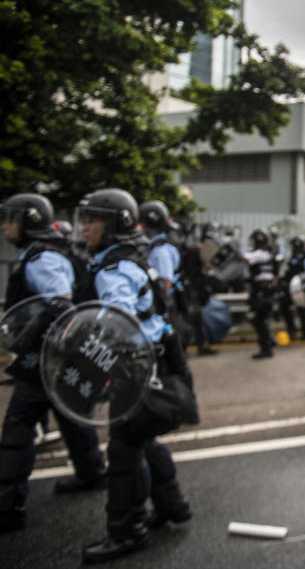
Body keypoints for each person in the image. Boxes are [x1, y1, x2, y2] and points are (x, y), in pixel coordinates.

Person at [75, 188, 191, 562]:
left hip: (134, 366)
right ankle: (173, 505)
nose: (85, 227)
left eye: (92, 220)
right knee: (144, 439)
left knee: (124, 448)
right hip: (150, 360)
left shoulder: (114, 269)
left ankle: (127, 530)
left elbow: (116, 327)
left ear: (113, 225)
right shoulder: (125, 259)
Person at [0, 193, 107, 534]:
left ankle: (8, 506)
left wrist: (24, 340)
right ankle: (91, 474)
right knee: (71, 417)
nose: (4, 226)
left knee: (17, 431)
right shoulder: (47, 252)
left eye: (10, 219)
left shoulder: (42, 258)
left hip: (44, 362)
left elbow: (60, 306)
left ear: (29, 220)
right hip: (57, 360)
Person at [242, 228, 278, 359]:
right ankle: (268, 341)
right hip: (266, 292)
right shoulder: (268, 254)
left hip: (261, 293)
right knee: (261, 319)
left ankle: (266, 347)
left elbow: (244, 257)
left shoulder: (259, 254)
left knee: (258, 319)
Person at [278, 235, 305, 342]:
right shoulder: (292, 259)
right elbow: (285, 273)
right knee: (284, 307)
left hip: (302, 289)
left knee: (303, 309)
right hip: (290, 289)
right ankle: (292, 330)